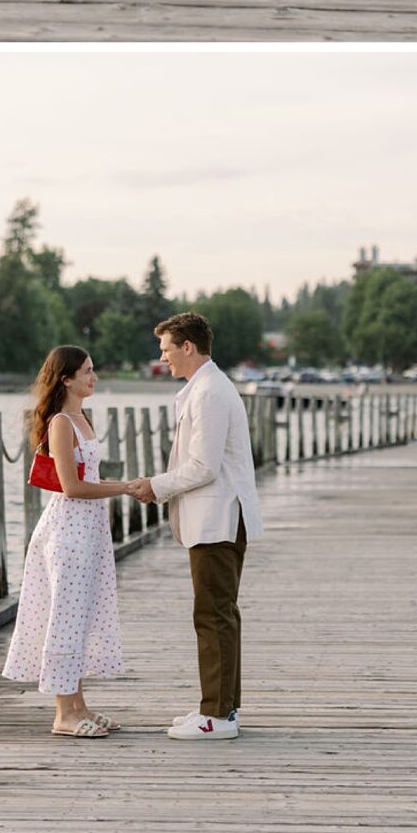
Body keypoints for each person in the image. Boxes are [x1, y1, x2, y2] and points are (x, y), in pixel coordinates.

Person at [2, 344, 150, 737]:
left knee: (80, 618)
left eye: (93, 369)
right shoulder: (61, 423)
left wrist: (119, 488)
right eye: (86, 371)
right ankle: (63, 714)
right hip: (67, 531)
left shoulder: (83, 418)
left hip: (90, 531)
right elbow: (71, 487)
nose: (93, 376)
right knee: (64, 617)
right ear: (65, 378)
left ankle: (79, 704)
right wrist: (125, 488)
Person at [138, 310, 262, 742]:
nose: (163, 358)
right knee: (219, 613)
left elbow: (203, 467)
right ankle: (220, 706)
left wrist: (155, 486)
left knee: (213, 615)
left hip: (218, 517)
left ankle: (218, 716)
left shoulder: (209, 392)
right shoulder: (207, 387)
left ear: (188, 347)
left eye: (167, 349)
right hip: (219, 516)